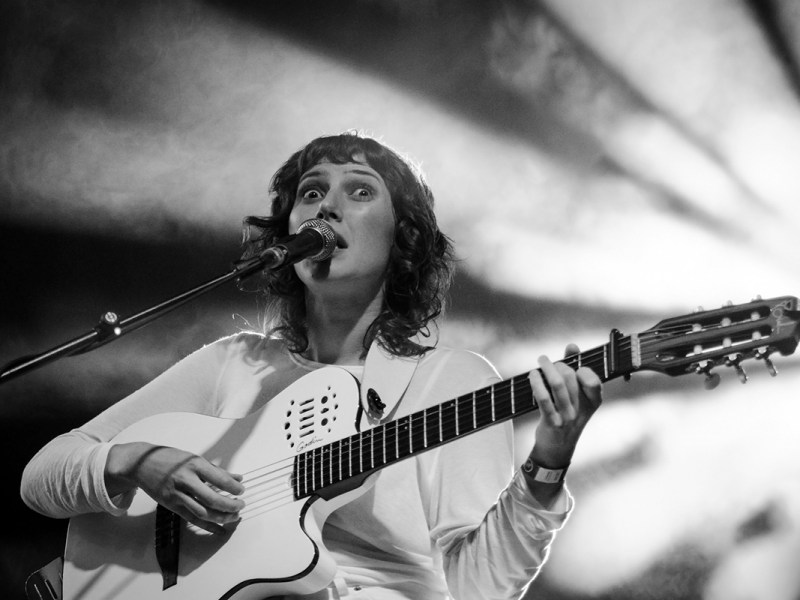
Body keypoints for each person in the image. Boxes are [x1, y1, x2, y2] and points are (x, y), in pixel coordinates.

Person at [20, 132, 603, 599]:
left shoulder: (451, 382)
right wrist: (135, 462)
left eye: (361, 191)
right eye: (311, 192)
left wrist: (547, 465)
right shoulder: (236, 362)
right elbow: (41, 476)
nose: (328, 204)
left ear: (404, 236)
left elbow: (480, 590)